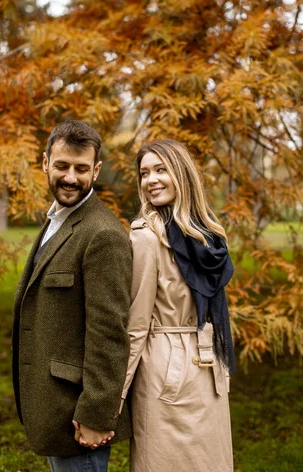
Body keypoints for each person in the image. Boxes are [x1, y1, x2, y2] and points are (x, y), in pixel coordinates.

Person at [12, 120, 132, 472]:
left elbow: (110, 332)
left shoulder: (103, 233)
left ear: (96, 171)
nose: (70, 177)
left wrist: (97, 413)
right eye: (62, 165)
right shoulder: (58, 219)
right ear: (45, 162)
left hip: (79, 415)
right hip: (53, 404)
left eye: (81, 169)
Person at [121, 139, 235, 472]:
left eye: (160, 170)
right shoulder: (145, 237)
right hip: (165, 370)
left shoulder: (207, 235)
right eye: (144, 173)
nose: (150, 180)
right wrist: (112, 401)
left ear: (181, 174)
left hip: (209, 365)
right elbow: (137, 323)